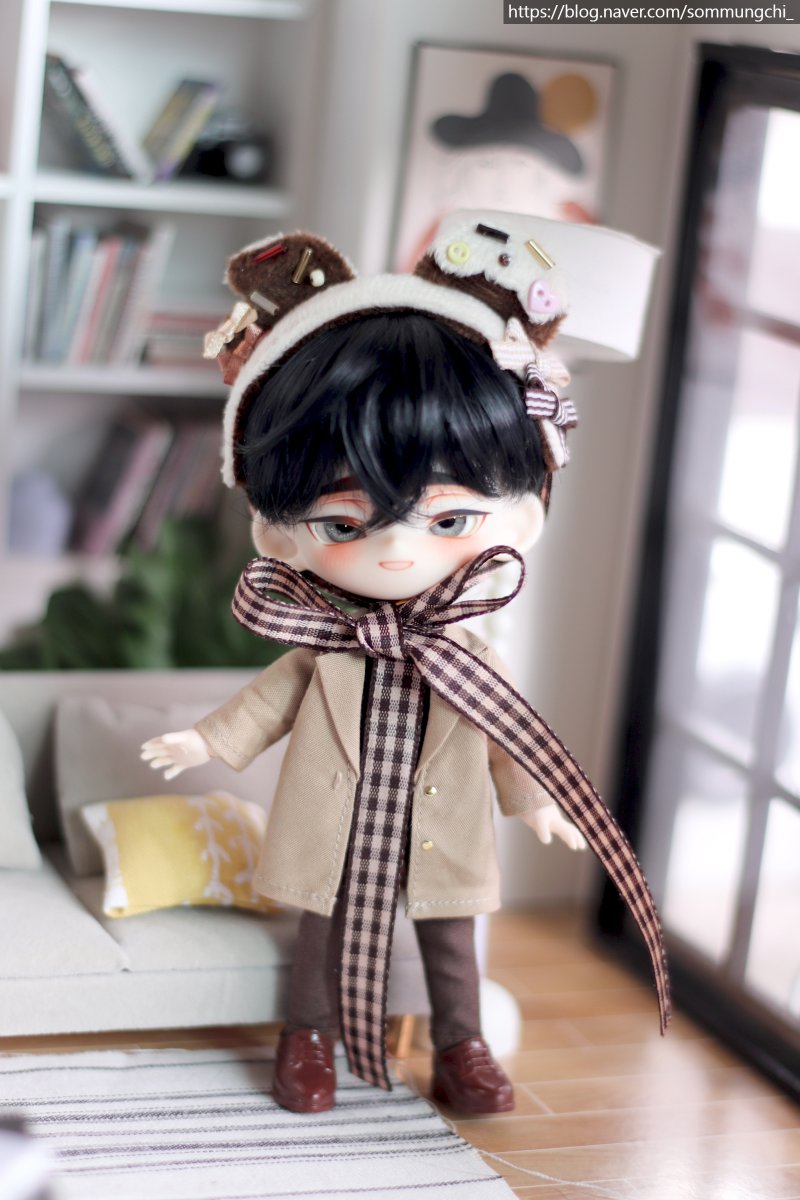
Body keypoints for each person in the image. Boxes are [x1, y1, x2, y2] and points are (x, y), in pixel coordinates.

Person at [142, 212, 670, 1117]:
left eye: (448, 519)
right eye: (345, 523)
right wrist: (203, 741)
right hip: (336, 821)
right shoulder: (325, 642)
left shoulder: (471, 652)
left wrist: (538, 803)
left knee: (451, 940)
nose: (396, 551)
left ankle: (461, 1047)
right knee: (322, 929)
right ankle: (308, 1039)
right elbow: (269, 702)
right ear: (280, 530)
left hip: (442, 823)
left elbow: (509, 734)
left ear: (517, 516)